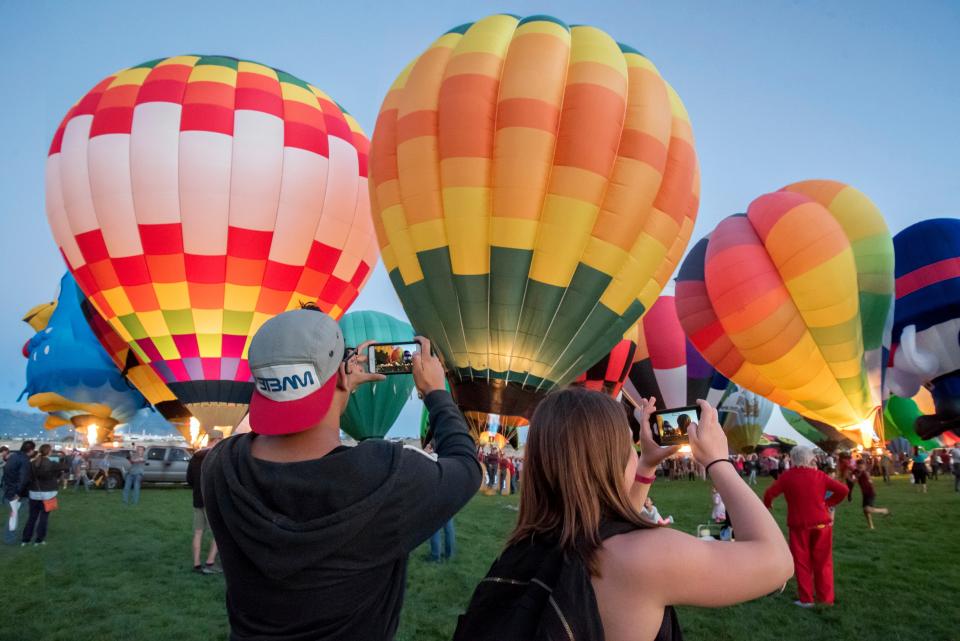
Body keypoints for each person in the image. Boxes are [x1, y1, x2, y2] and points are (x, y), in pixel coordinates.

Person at [202, 309, 482, 641]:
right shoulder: (386, 475)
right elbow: (466, 466)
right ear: (339, 376)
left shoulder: (219, 468)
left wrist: (335, 384)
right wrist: (436, 393)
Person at [454, 391, 793, 641]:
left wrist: (645, 464)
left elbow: (606, 529)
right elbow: (776, 559)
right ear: (612, 457)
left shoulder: (527, 545)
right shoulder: (643, 557)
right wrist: (718, 461)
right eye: (628, 446)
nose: (633, 453)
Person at [764, 446, 848, 607]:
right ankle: (826, 598)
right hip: (822, 524)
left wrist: (768, 504)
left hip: (799, 525)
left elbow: (769, 494)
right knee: (823, 562)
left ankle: (806, 599)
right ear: (810, 459)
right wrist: (828, 503)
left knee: (802, 562)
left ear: (793, 459)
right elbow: (843, 490)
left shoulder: (787, 477)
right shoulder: (820, 476)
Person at [187, 430, 223, 575]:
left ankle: (196, 564)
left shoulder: (195, 456)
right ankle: (210, 563)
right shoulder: (216, 456)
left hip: (197, 499)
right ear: (217, 439)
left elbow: (189, 479)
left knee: (198, 532)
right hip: (211, 500)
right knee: (219, 533)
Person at [21, 444, 66, 546]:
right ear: (49, 452)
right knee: (43, 518)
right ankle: (39, 540)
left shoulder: (32, 463)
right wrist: (65, 454)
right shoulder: (51, 463)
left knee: (32, 517)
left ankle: (25, 539)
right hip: (48, 494)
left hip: (33, 493)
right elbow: (65, 466)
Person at [3, 441, 34, 544]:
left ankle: (10, 537)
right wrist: (18, 493)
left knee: (14, 515)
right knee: (18, 516)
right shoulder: (25, 460)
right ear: (31, 450)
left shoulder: (13, 457)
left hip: (9, 489)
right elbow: (23, 479)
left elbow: (7, 473)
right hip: (18, 493)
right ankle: (11, 538)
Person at [851, 458, 890, 529]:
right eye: (859, 466)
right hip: (864, 494)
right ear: (856, 466)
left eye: (862, 467)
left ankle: (884, 510)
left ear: (864, 466)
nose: (860, 468)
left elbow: (869, 480)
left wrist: (862, 477)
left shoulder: (865, 473)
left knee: (867, 509)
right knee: (865, 511)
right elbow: (853, 478)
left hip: (870, 493)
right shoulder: (855, 471)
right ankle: (871, 526)